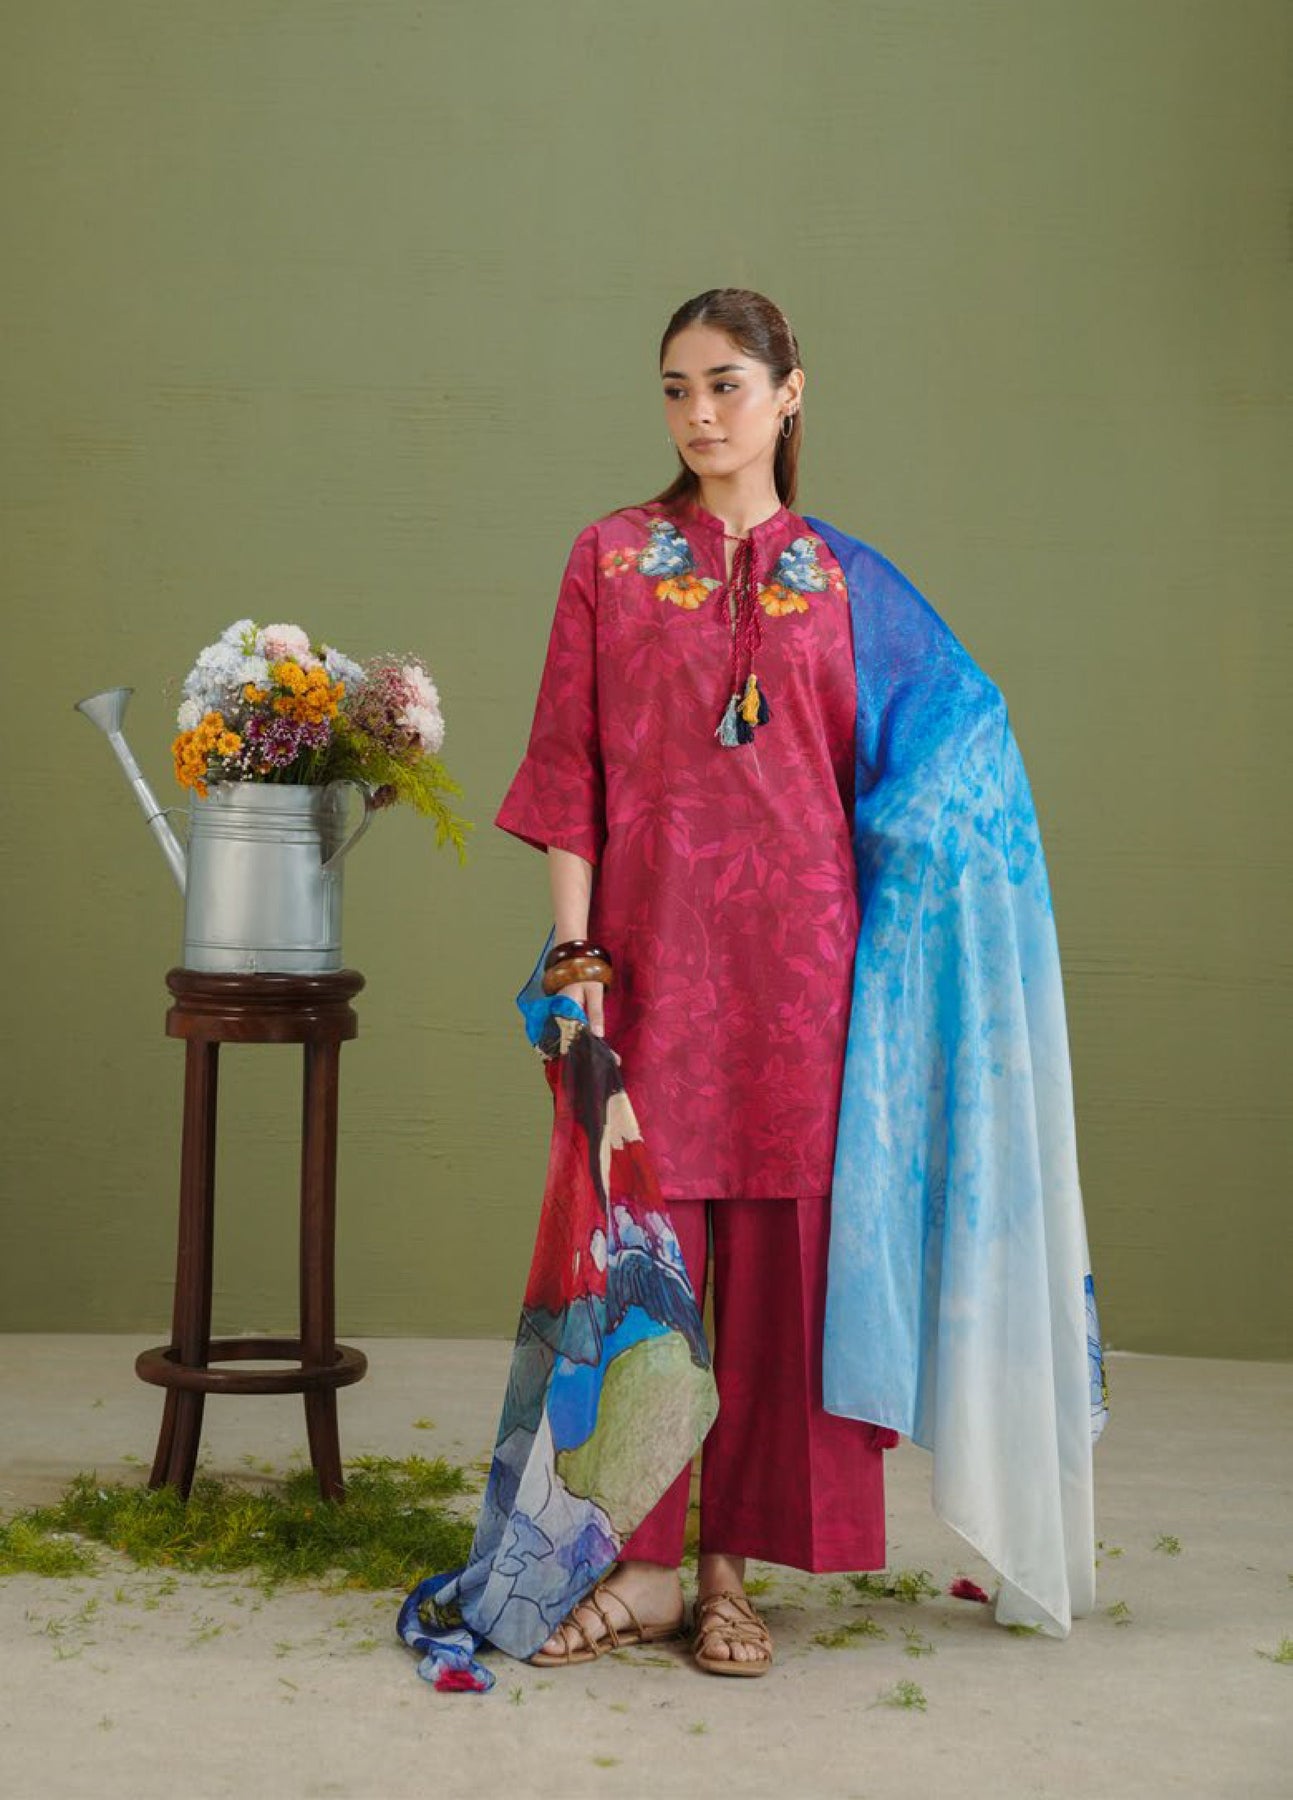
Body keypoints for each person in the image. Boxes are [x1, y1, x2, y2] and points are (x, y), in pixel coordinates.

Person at [492, 288, 901, 1676]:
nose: (699, 414)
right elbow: (569, 767)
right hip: (652, 956)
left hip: (806, 967)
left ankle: (731, 1572)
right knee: (642, 1257)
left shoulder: (844, 580)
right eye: (676, 389)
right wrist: (576, 961)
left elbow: (897, 777)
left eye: (726, 384)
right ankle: (646, 1568)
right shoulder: (610, 558)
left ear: (790, 392)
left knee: (783, 1262)